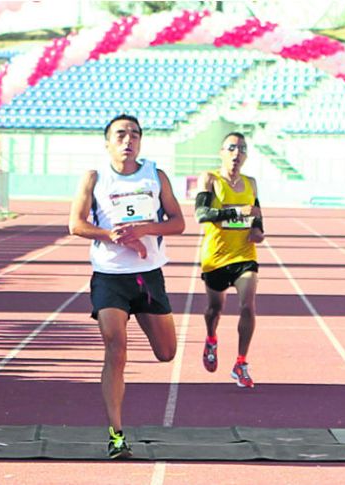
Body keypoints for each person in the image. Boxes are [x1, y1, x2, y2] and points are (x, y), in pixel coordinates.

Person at [68, 114, 185, 458]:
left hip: (148, 275)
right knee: (116, 347)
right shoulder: (95, 177)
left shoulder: (155, 175)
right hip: (109, 276)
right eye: (120, 134)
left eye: (134, 134)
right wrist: (110, 235)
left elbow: (178, 223)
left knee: (166, 353)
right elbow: (75, 224)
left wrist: (147, 229)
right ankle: (116, 434)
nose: (128, 139)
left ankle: (117, 431)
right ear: (107, 142)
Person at [195, 132, 265, 388]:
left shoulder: (251, 183)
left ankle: (240, 363)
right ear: (222, 152)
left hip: (244, 255)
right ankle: (211, 338)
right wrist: (237, 212)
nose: (237, 154)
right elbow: (201, 215)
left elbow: (256, 214)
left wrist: (258, 230)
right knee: (215, 309)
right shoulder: (210, 179)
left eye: (242, 149)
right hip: (215, 256)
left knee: (248, 306)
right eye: (232, 148)